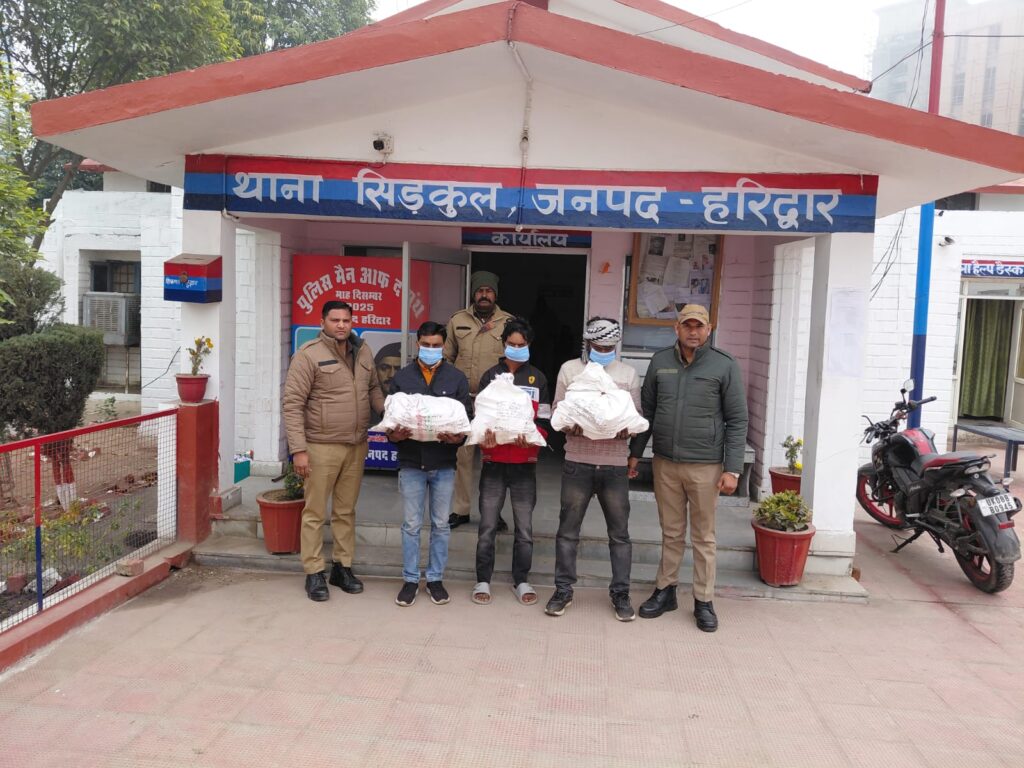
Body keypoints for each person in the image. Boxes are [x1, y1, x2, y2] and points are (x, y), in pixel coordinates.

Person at [629, 304, 749, 633]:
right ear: (677, 328)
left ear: (709, 329)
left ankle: (703, 600)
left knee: (703, 537)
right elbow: (647, 412)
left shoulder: (724, 365)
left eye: (699, 326)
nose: (693, 332)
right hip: (665, 462)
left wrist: (733, 469)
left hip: (706, 466)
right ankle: (665, 590)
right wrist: (635, 454)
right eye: (687, 326)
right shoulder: (660, 362)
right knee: (670, 532)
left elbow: (737, 419)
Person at [283, 300, 385, 602]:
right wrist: (298, 450)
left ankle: (342, 567)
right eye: (335, 320)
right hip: (320, 447)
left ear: (352, 322)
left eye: (346, 320)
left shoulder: (363, 351)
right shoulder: (308, 355)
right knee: (314, 512)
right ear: (323, 322)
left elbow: (373, 389)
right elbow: (293, 405)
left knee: (345, 511)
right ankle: (314, 571)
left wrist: (389, 413)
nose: (341, 325)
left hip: (356, 445)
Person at [546, 317, 639, 622]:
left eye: (609, 347)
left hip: (614, 466)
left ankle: (621, 594)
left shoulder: (627, 374)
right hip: (578, 462)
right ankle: (563, 591)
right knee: (568, 532)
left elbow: (636, 416)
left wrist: (627, 430)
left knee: (620, 535)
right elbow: (557, 410)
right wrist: (569, 425)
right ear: (587, 343)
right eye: (599, 346)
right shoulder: (570, 370)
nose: (604, 351)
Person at [386, 321, 470, 608]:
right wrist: (393, 436)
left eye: (436, 345)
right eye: (426, 345)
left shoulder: (456, 378)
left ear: (444, 346)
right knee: (411, 525)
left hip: (444, 464)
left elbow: (466, 421)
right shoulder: (403, 378)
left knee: (441, 525)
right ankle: (410, 580)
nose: (431, 349)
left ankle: (435, 579)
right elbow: (390, 420)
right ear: (417, 344)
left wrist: (457, 438)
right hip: (411, 462)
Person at [472, 317, 549, 606]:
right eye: (511, 344)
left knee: (524, 530)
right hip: (493, 463)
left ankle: (522, 580)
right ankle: (483, 580)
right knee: (487, 527)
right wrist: (484, 440)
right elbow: (478, 418)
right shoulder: (489, 377)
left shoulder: (538, 379)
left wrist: (534, 438)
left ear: (529, 345)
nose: (516, 348)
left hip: (524, 464)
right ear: (504, 343)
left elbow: (545, 421)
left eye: (521, 344)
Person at [444, 270, 514, 530]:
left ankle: (493, 511)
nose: (484, 295)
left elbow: (515, 362)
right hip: (462, 401)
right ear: (473, 293)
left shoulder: (508, 322)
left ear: (495, 294)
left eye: (489, 290)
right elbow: (446, 358)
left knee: (493, 458)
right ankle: (461, 509)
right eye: (480, 290)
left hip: (494, 403)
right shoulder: (457, 320)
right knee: (462, 457)